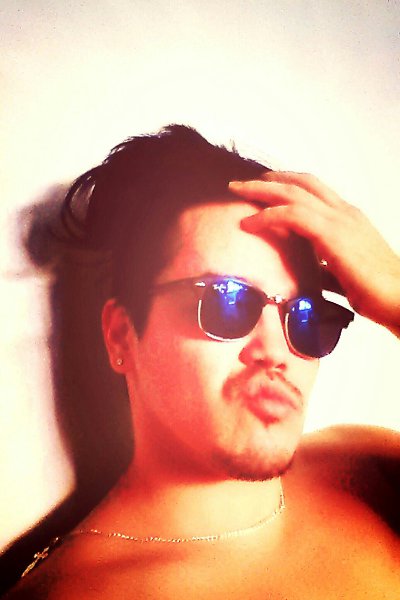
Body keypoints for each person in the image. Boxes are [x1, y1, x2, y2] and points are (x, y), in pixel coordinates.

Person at [5, 125, 400, 599]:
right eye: (226, 303)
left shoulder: (370, 468)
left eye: (307, 317)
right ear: (121, 335)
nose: (276, 351)